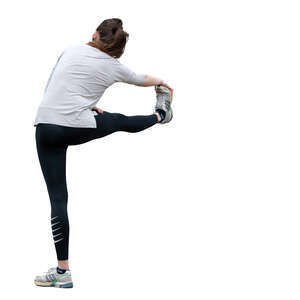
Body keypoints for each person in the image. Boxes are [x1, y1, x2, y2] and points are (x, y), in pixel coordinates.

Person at [33, 18, 173, 288]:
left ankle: (63, 272)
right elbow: (141, 79)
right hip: (75, 125)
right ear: (119, 50)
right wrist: (162, 82)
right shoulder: (114, 66)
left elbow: (56, 86)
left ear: (95, 34)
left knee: (58, 200)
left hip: (45, 126)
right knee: (117, 120)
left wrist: (85, 105)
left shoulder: (71, 49)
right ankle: (161, 115)